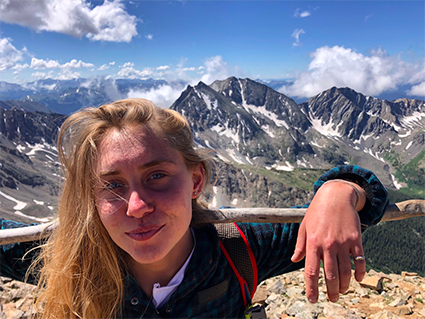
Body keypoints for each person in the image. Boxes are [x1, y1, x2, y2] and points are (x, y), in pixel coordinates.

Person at [0, 98, 388, 319]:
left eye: (157, 177)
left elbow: (365, 205)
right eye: (112, 185)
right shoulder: (66, 258)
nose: (136, 206)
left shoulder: (240, 249)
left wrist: (341, 190)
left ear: (197, 181)